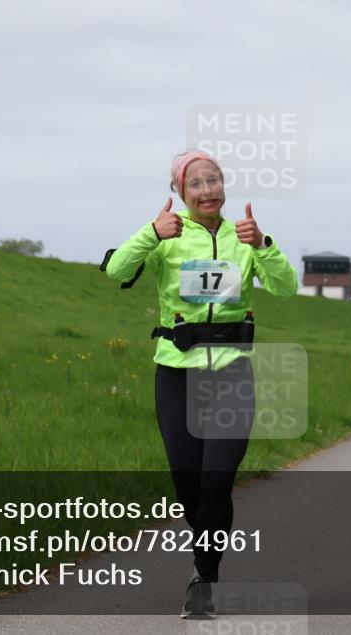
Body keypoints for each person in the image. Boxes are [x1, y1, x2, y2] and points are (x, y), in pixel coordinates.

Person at [105, 150, 297, 618]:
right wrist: (151, 233)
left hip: (232, 372)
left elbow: (286, 287)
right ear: (179, 192)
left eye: (214, 180)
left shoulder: (244, 238)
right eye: (196, 183)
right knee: (188, 484)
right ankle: (206, 544)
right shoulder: (167, 237)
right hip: (177, 373)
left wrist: (264, 244)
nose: (207, 190)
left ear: (224, 185)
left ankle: (204, 577)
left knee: (217, 479)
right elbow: (117, 271)